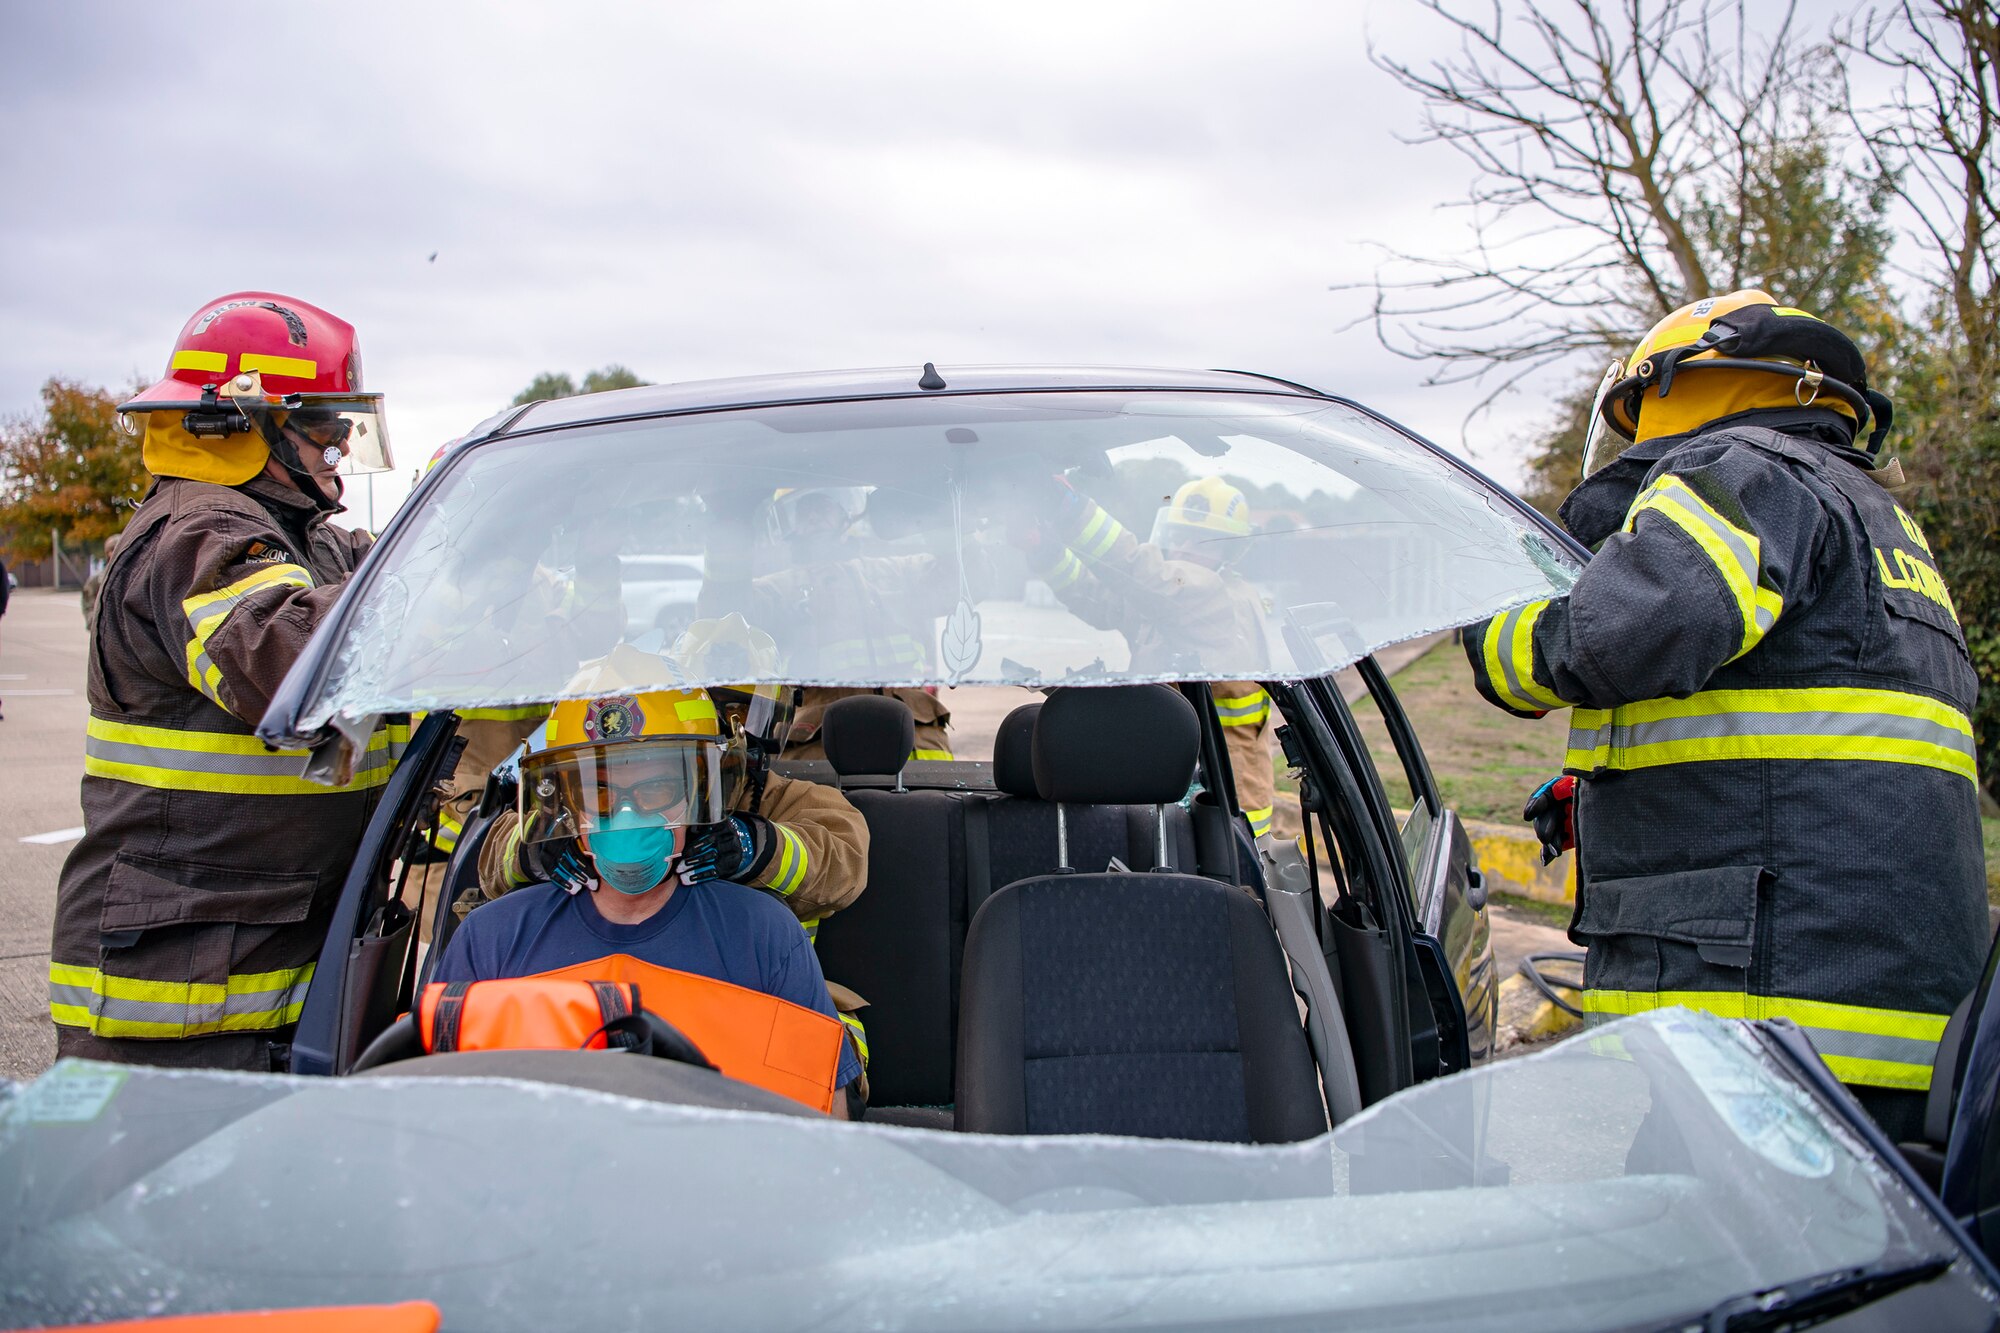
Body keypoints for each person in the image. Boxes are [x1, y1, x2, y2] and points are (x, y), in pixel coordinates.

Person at [1463, 290, 1986, 1140]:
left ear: (1680, 390)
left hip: (1763, 1031)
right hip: (1887, 1033)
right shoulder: (1883, 526)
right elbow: (1809, 730)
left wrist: (1488, 616)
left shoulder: (1743, 471)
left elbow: (1613, 634)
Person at [47, 292, 397, 1070]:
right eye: (321, 427)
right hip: (179, 996)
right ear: (243, 423)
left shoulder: (301, 537)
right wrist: (429, 575)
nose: (337, 449)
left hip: (259, 962)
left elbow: (378, 582)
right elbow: (291, 660)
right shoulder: (199, 535)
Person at [431, 686, 864, 1114]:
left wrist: (756, 845)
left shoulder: (764, 926)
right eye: (598, 794)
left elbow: (844, 858)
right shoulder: (493, 940)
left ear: (697, 786)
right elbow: (436, 1113)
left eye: (655, 790)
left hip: (764, 1020)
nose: (624, 815)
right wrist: (538, 845)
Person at [1017, 475, 1279, 839]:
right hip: (1177, 789)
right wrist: (1045, 552)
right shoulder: (1170, 603)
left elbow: (1142, 574)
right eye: (1179, 537)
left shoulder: (1216, 598)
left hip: (1223, 810)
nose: (1184, 549)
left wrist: (1071, 512)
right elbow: (1098, 600)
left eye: (1201, 541)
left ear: (1231, 551)